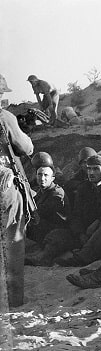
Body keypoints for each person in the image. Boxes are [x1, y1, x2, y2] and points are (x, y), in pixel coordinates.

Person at [27, 155, 101, 267]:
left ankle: (80, 259)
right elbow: (76, 215)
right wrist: (80, 234)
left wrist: (97, 223)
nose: (91, 172)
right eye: (89, 169)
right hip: (86, 233)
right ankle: (44, 258)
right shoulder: (83, 188)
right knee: (58, 235)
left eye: (96, 169)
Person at [0, 73, 34, 307]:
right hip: (4, 185)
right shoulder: (4, 117)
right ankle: (13, 301)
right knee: (13, 242)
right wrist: (23, 130)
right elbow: (25, 147)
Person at [26, 153, 67, 245]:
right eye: (39, 175)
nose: (42, 178)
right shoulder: (42, 190)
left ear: (52, 178)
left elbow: (39, 212)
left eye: (46, 175)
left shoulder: (57, 193)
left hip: (56, 232)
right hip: (45, 227)